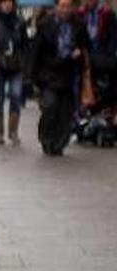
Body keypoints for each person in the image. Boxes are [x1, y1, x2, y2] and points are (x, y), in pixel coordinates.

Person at [30, 0, 91, 155]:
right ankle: (46, 139)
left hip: (69, 74)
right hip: (49, 73)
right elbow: (36, 52)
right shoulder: (45, 25)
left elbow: (86, 46)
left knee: (66, 112)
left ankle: (59, 144)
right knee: (50, 107)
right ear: (56, 7)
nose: (65, 9)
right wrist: (32, 76)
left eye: (68, 6)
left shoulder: (78, 25)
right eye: (62, 6)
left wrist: (80, 56)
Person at [0, 0, 30, 145]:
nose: (7, 5)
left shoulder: (20, 23)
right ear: (0, 5)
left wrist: (23, 61)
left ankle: (13, 131)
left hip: (16, 66)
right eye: (4, 2)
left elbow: (25, 44)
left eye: (9, 2)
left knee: (16, 96)